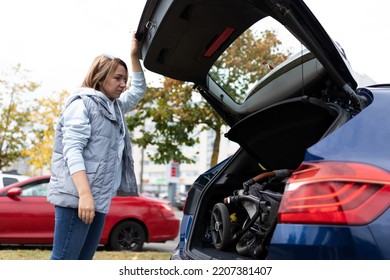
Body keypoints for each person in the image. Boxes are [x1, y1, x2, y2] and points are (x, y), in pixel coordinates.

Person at [47, 32, 146, 260]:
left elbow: (139, 90)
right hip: (77, 198)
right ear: (100, 78)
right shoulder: (82, 105)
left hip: (97, 198)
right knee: (64, 261)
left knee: (83, 261)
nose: (124, 84)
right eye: (118, 79)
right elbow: (72, 151)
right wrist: (85, 196)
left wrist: (134, 55)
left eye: (125, 79)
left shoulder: (115, 106)